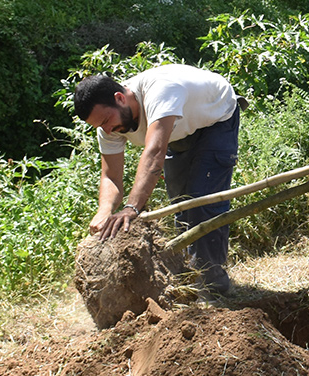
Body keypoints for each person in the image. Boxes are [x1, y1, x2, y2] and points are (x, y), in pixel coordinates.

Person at [73, 66, 241, 294]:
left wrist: (131, 208)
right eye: (100, 126)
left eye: (106, 120)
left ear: (120, 98)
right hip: (178, 131)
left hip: (215, 120)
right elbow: (111, 176)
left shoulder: (161, 91)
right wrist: (105, 211)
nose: (108, 130)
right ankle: (192, 277)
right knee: (181, 206)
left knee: (203, 203)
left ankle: (214, 287)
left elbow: (154, 153)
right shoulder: (107, 127)